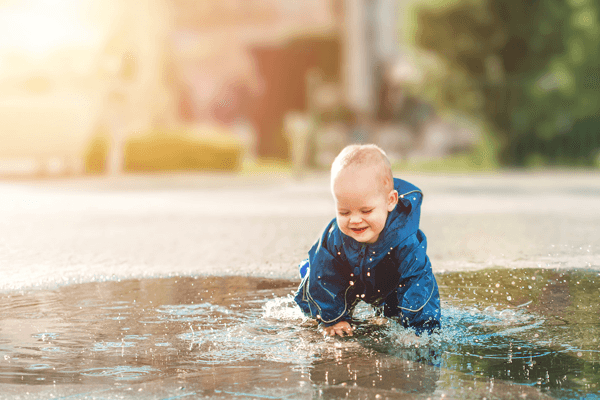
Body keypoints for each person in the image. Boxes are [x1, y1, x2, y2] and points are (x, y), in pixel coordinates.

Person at [294, 144, 441, 337]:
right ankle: (325, 308)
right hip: (346, 278)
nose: (354, 220)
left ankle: (396, 314)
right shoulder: (333, 238)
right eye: (344, 212)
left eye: (366, 211)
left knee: (396, 310)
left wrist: (422, 328)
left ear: (390, 201)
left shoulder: (404, 240)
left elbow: (419, 281)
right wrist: (333, 319)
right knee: (316, 283)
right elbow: (323, 277)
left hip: (388, 282)